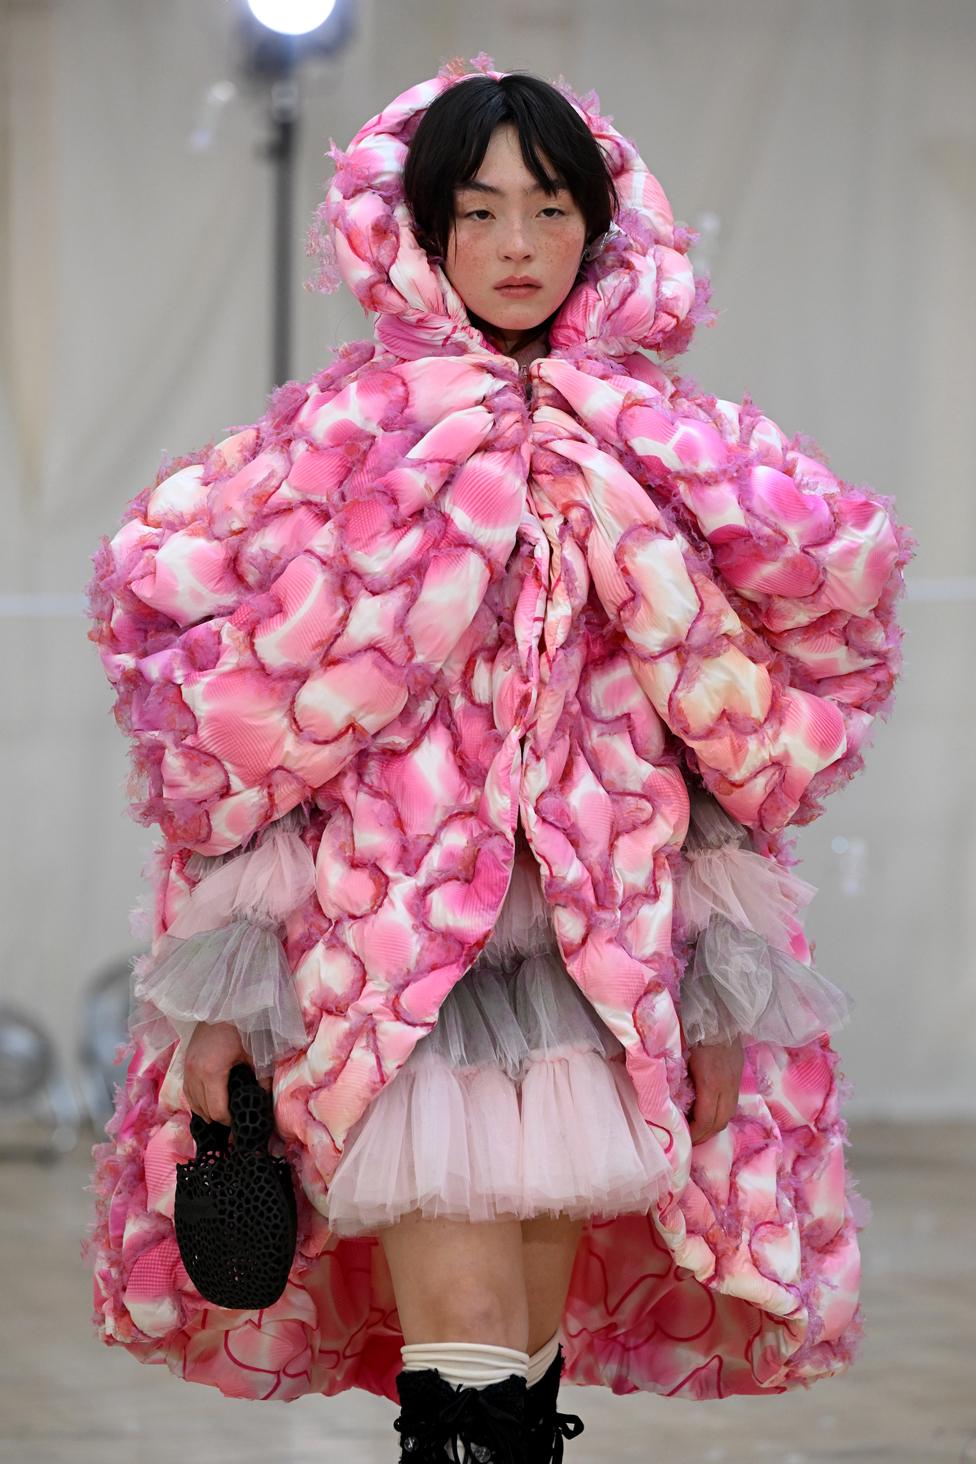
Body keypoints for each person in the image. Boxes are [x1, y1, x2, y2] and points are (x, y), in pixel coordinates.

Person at [83, 56, 915, 1464]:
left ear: (605, 227)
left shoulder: (669, 457)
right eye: (476, 212)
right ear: (415, 231)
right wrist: (224, 1007)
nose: (517, 247)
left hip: (604, 977)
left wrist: (715, 997)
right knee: (465, 1361)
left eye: (548, 208)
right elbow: (245, 741)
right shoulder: (329, 453)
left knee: (516, 1381)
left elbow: (709, 755)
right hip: (388, 973)